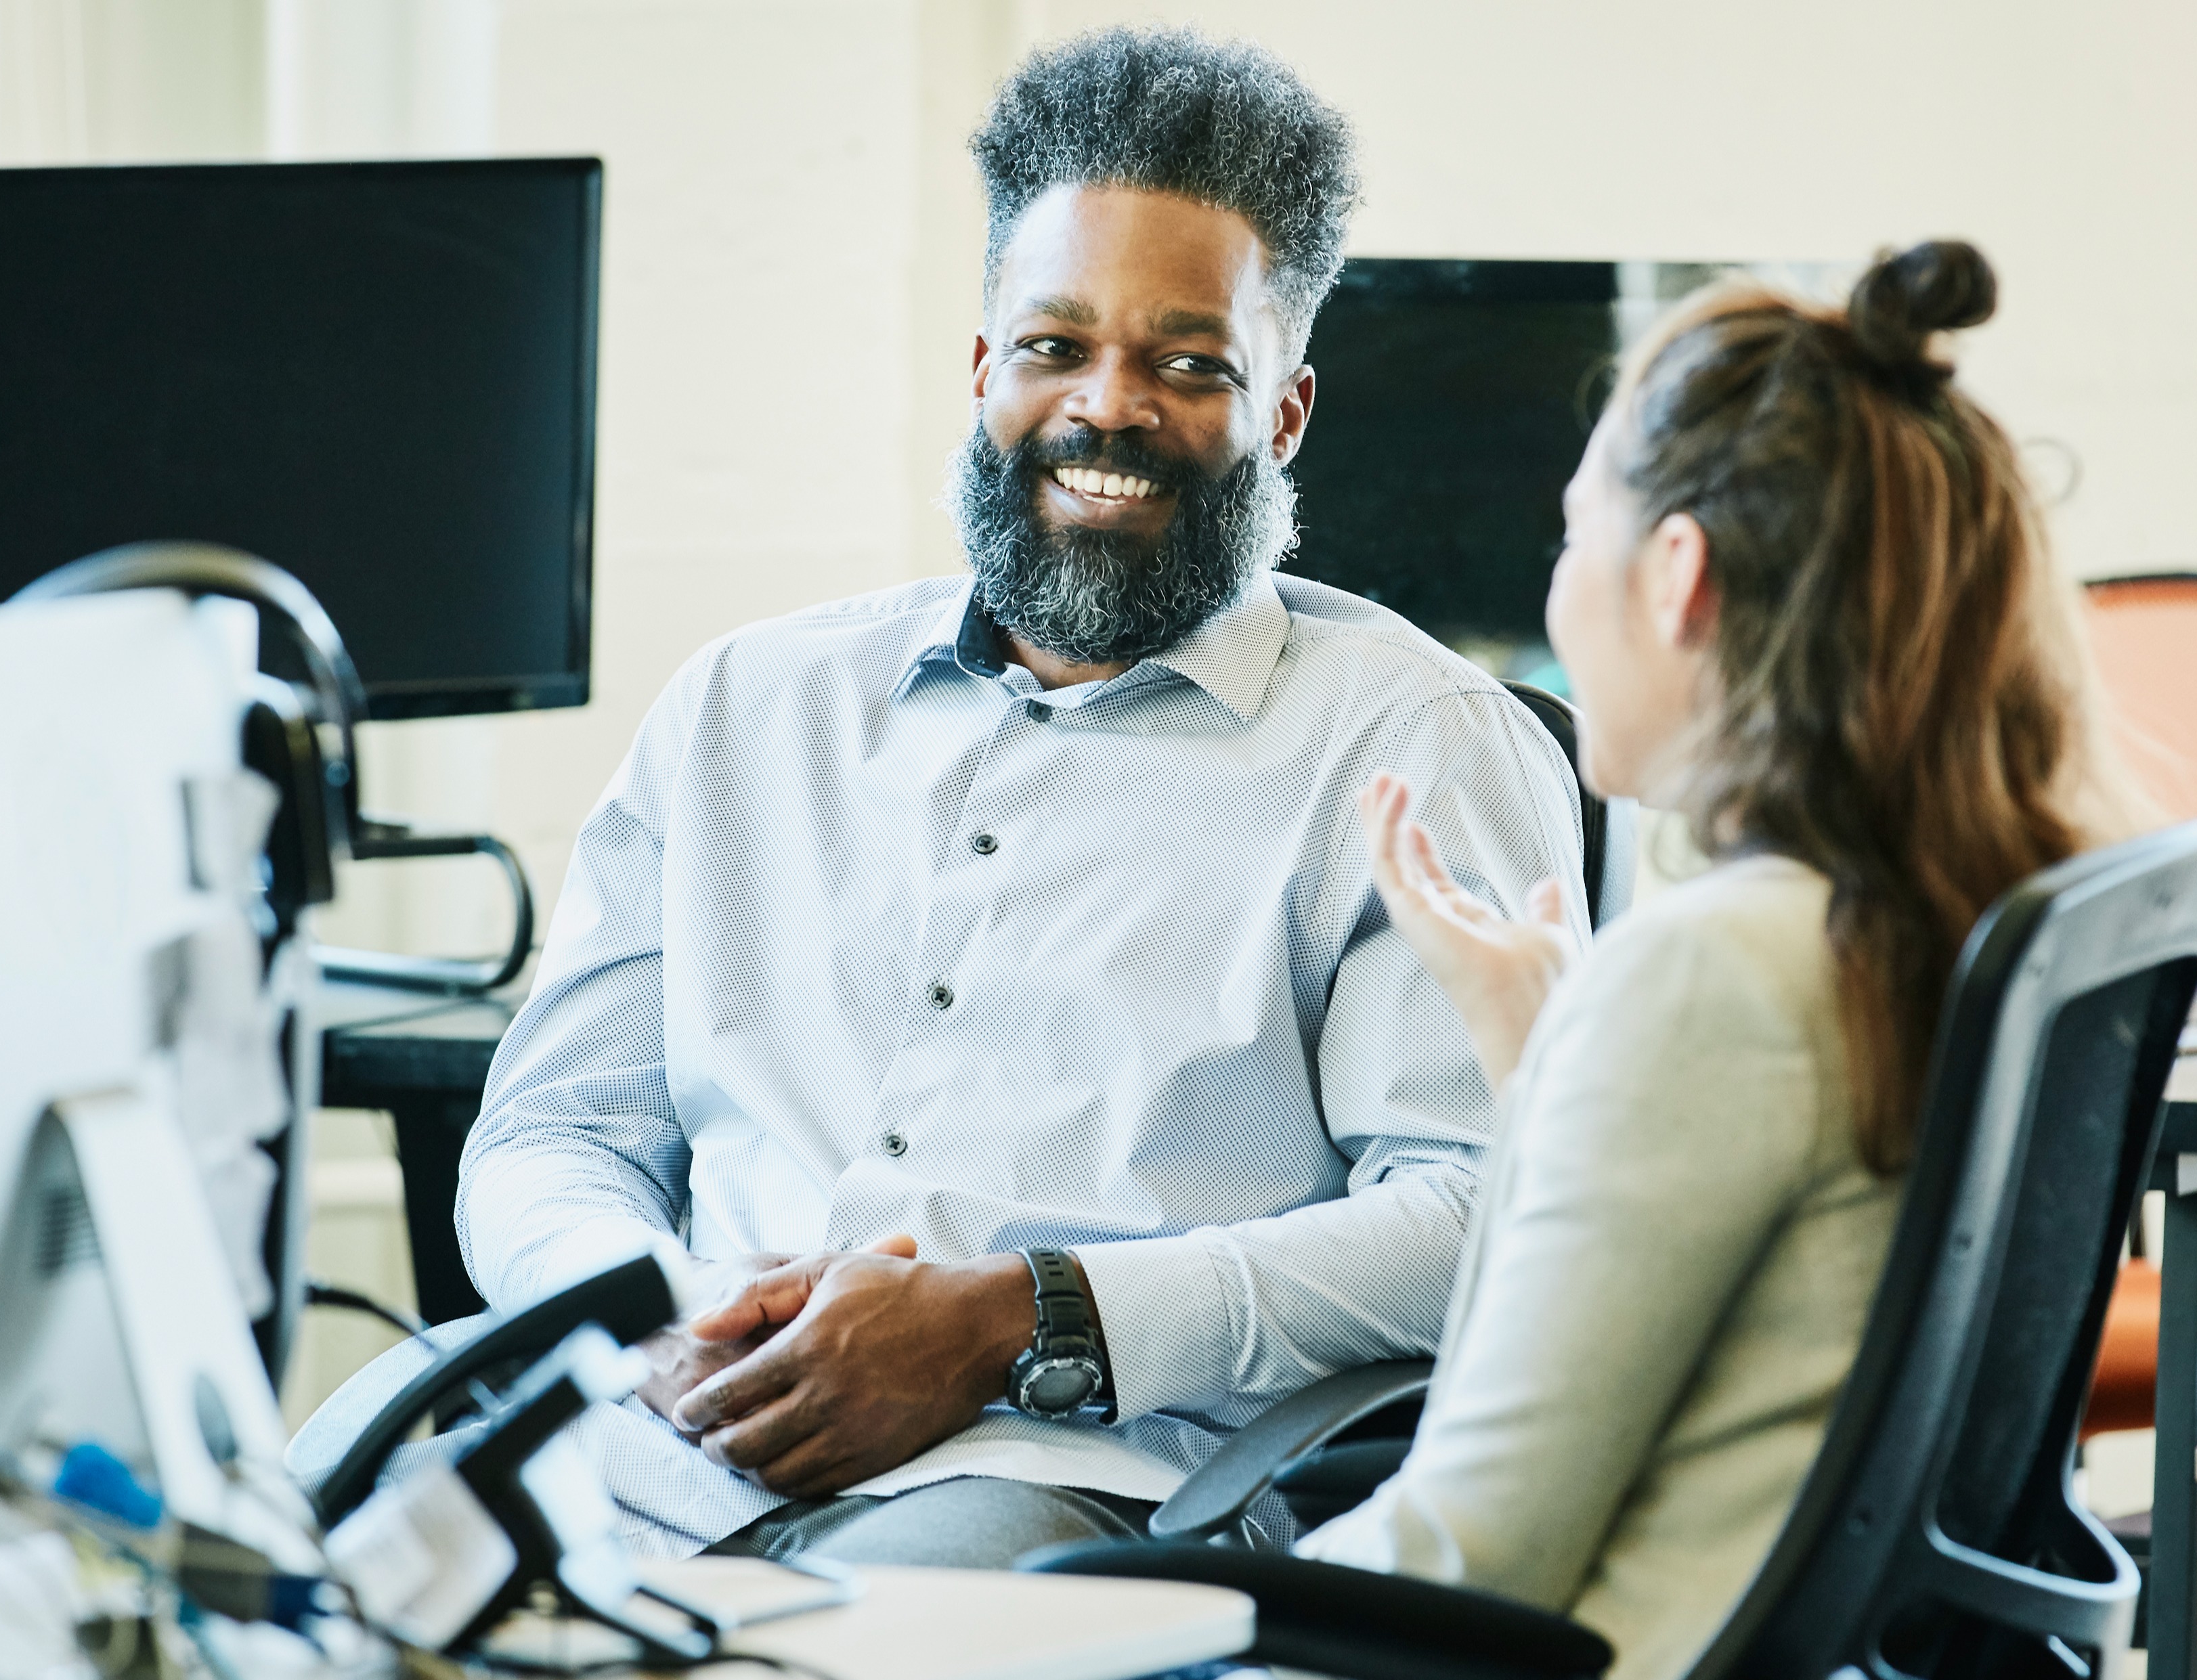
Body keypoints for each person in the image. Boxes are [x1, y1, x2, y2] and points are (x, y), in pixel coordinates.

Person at [362, 27, 1582, 1568]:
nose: (1107, 405)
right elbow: (552, 1132)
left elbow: (1475, 1209)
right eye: (1054, 345)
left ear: (1283, 411)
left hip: (1066, 1482)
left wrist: (1022, 1318)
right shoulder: (745, 703)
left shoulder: (1416, 742)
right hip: (647, 1439)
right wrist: (651, 1309)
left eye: (1188, 362)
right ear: (983, 368)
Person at [1292, 240, 2140, 1680]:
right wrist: (1537, 1050)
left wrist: (1143, 1622)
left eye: (1569, 542)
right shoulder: (1939, 912)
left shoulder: (1710, 974)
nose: (1559, 600)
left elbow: (1470, 1547)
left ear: (1675, 573)